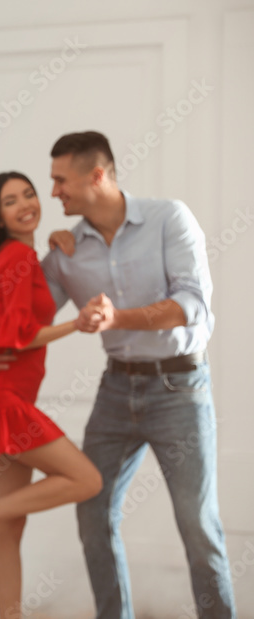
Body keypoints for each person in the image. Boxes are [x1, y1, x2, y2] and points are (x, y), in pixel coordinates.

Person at [32, 131, 232, 619]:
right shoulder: (66, 250)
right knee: (92, 508)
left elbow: (191, 305)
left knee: (197, 525)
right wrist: (24, 246)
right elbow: (24, 317)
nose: (53, 190)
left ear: (96, 176)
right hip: (116, 389)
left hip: (180, 389)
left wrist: (117, 318)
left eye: (61, 180)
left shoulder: (169, 219)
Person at [0, 172, 101, 618]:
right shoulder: (17, 257)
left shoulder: (18, 255)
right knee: (87, 480)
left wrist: (54, 242)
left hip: (0, 398)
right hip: (4, 400)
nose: (25, 204)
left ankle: (9, 614)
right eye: (11, 201)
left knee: (11, 523)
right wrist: (77, 323)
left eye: (29, 194)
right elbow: (16, 337)